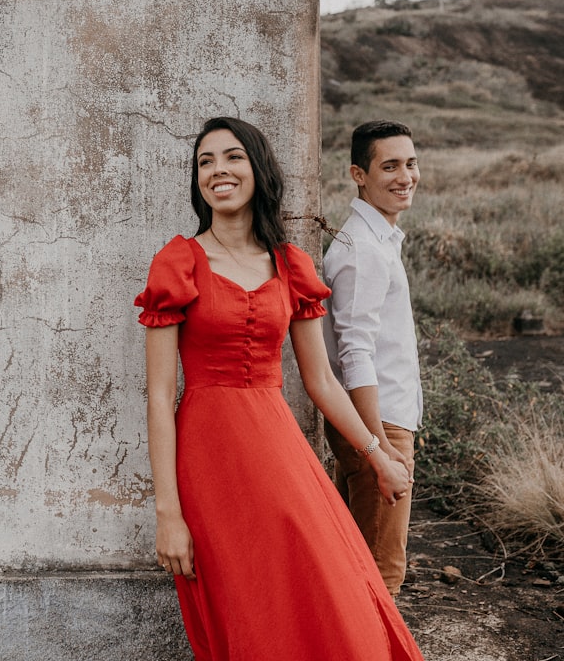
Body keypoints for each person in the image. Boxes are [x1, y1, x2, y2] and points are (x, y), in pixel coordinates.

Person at [135, 117, 423, 660]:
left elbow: (321, 381)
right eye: (205, 161)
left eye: (232, 157)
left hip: (279, 446)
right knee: (249, 605)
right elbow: (158, 397)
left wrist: (377, 453)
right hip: (209, 458)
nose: (218, 170)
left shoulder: (292, 265)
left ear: (258, 169)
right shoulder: (178, 262)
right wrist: (167, 514)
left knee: (330, 585)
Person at [322, 120, 423, 596]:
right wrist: (380, 449)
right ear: (358, 174)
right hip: (378, 427)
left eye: (410, 163)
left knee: (360, 567)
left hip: (379, 424)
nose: (405, 176)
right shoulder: (363, 249)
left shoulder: (378, 240)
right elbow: (354, 352)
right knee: (380, 578)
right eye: (390, 166)